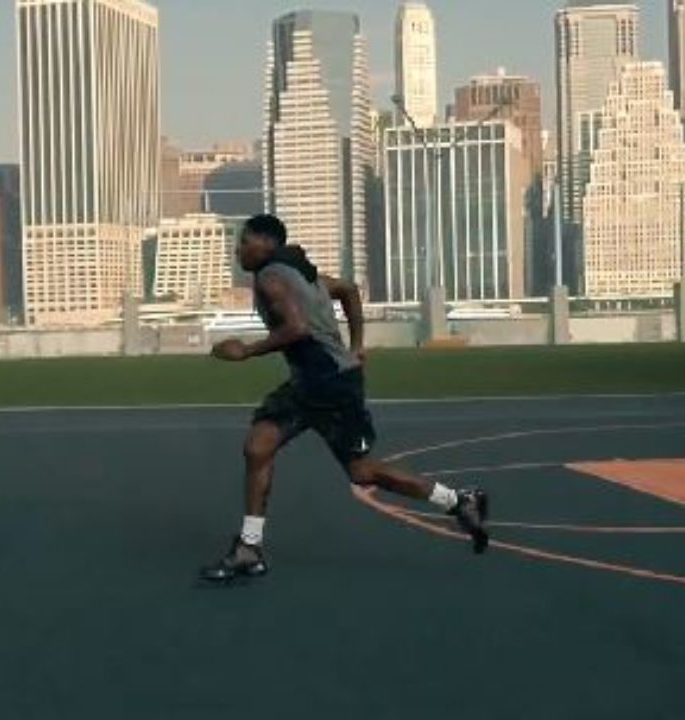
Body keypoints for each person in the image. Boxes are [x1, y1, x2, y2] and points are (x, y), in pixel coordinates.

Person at [200, 214, 489, 583]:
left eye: (244, 241)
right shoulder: (302, 274)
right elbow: (349, 289)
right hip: (312, 382)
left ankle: (459, 500)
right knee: (261, 447)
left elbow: (297, 328)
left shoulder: (271, 278)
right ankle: (249, 548)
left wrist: (246, 350)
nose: (237, 250)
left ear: (267, 244)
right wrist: (357, 346)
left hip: (331, 384)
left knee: (358, 470)